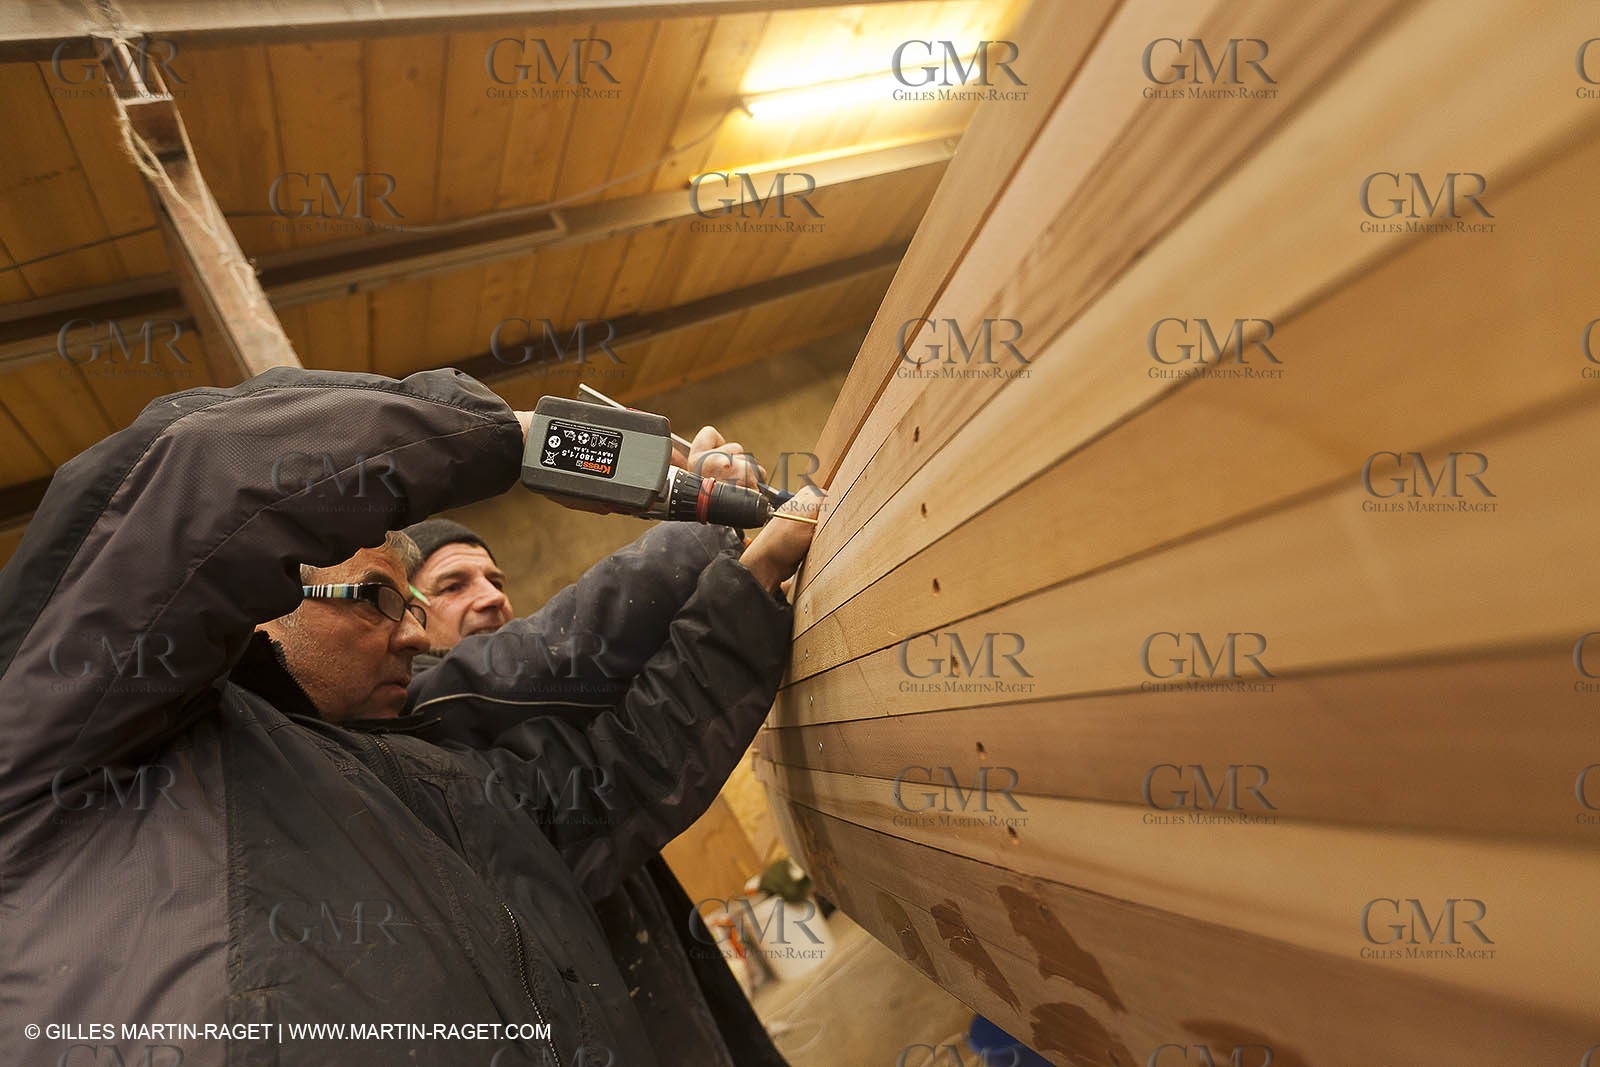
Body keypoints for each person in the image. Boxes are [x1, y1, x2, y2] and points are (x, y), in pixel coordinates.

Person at [0, 366, 822, 1066]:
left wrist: (744, 588)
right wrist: (536, 439)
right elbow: (203, 475)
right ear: (257, 606)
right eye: (381, 598)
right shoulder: (76, 740)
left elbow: (610, 787)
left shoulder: (394, 780)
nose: (420, 628)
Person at [401, 470, 790, 1066]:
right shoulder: (421, 735)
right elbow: (628, 757)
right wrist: (727, 543)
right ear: (405, 621)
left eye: (495, 578)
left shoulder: (538, 723)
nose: (491, 596)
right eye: (454, 584)